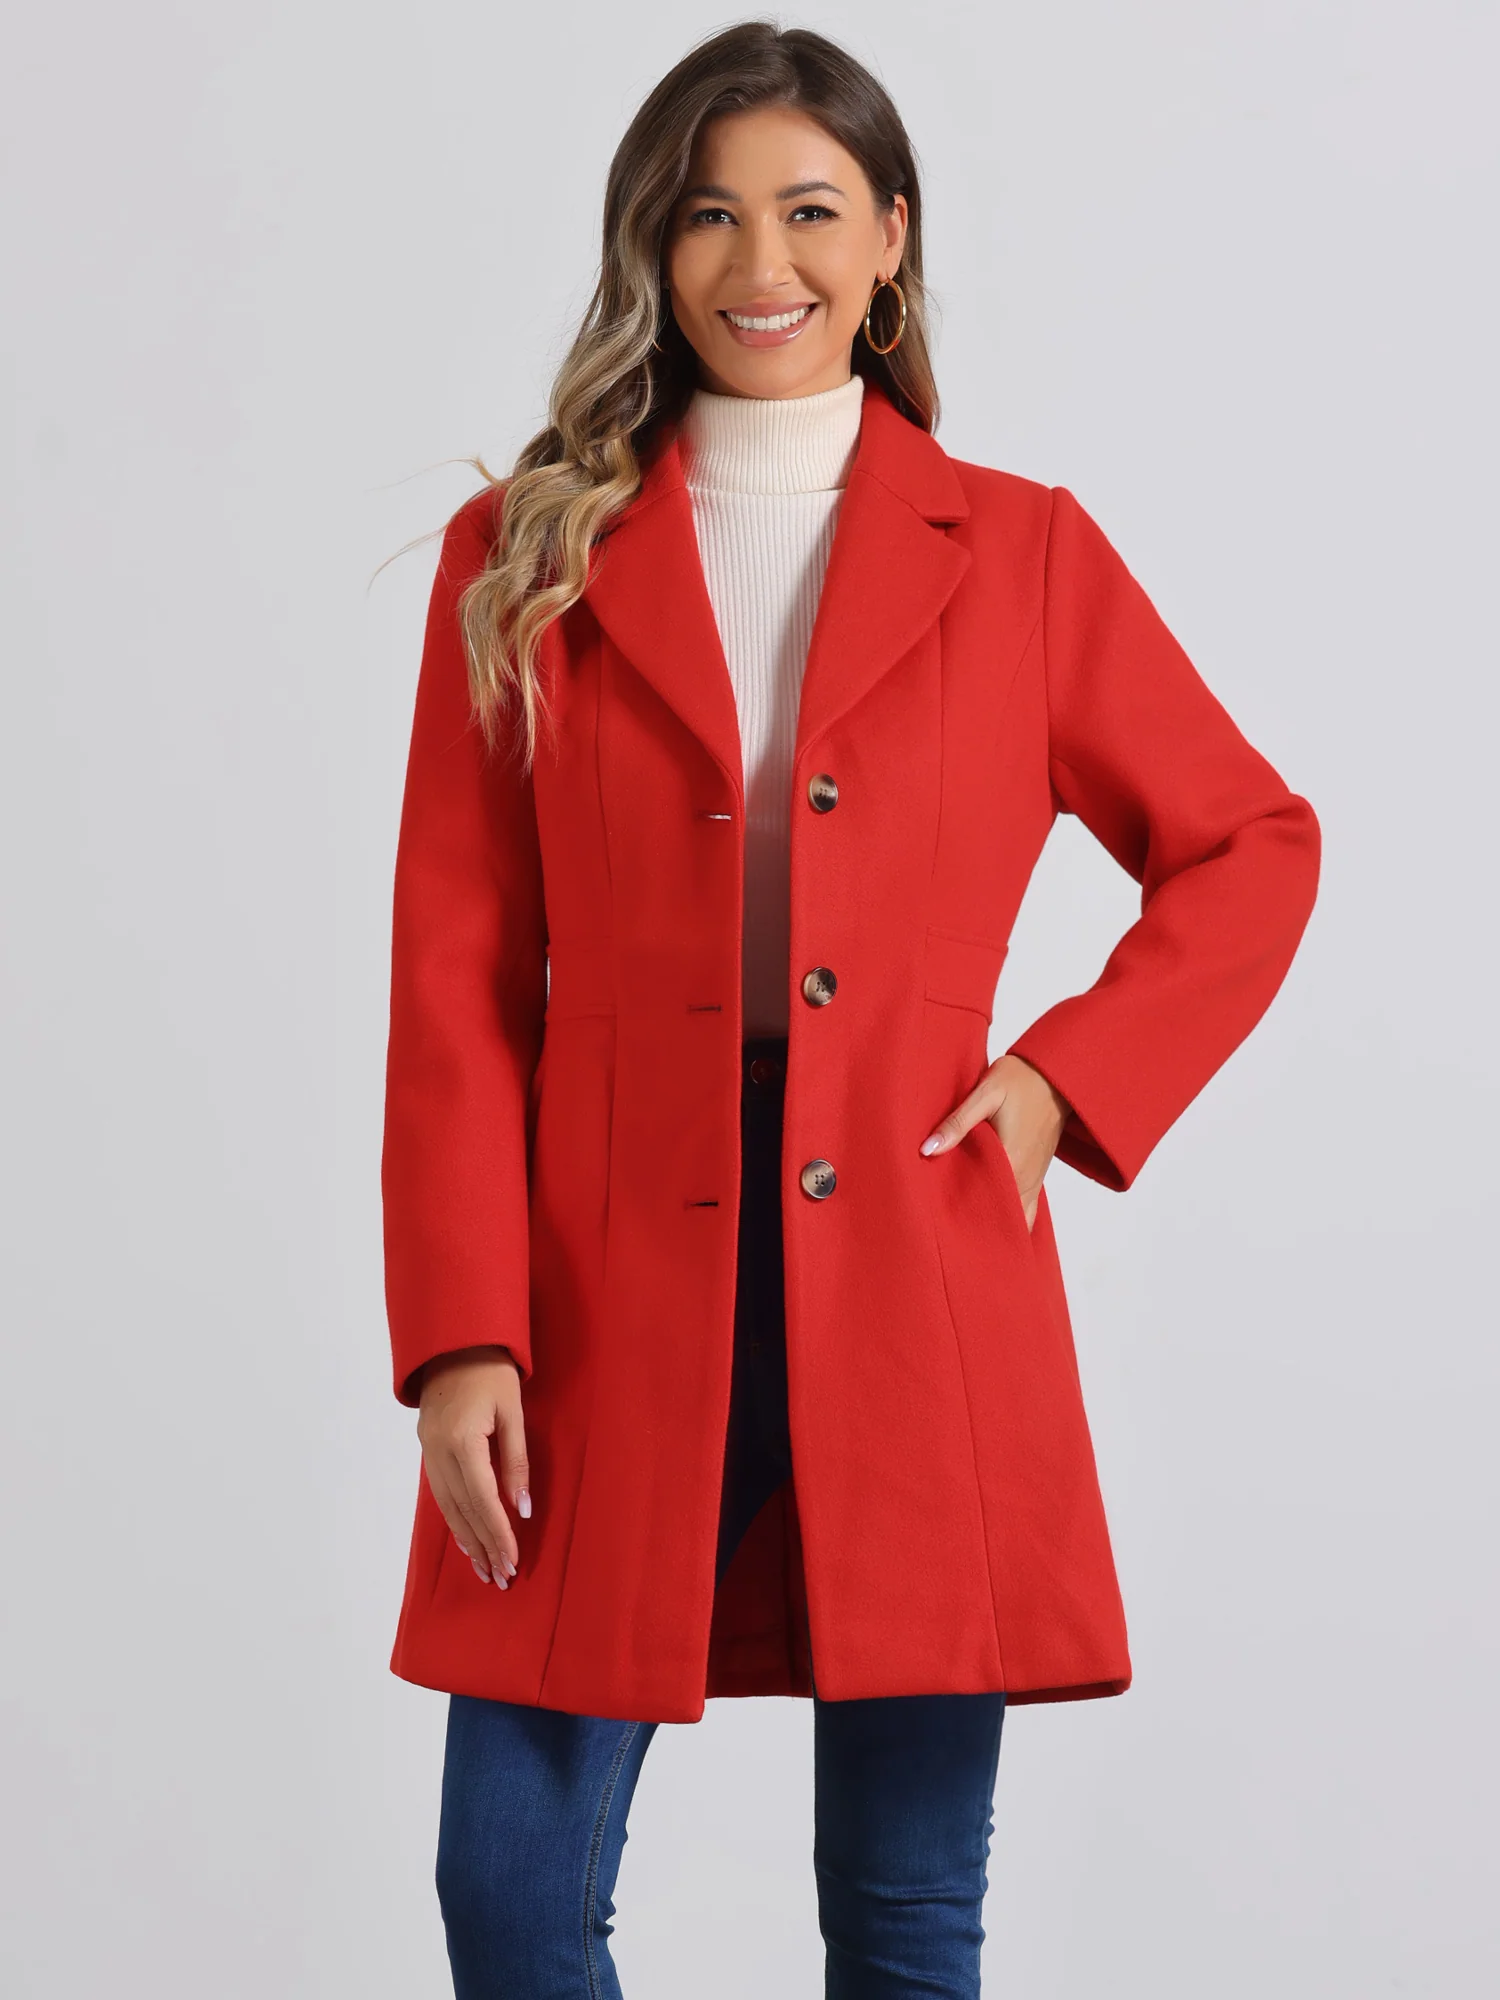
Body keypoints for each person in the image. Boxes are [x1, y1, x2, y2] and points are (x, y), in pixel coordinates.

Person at [379, 21, 1321, 1998]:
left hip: (915, 1243)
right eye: (707, 216)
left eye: (809, 211)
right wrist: (462, 1332)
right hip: (600, 1262)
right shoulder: (525, 553)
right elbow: (456, 977)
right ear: (651, 248)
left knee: (904, 1915)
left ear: (891, 237)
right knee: (512, 1885)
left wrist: (1063, 1081)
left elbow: (1250, 842)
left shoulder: (1024, 552)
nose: (760, 263)